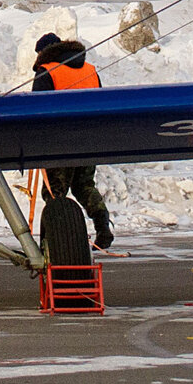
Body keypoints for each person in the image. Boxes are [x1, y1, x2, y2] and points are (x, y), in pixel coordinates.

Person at [31, 32, 114, 249]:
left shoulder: (46, 71)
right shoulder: (90, 70)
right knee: (84, 185)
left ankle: (52, 243)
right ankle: (103, 226)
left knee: (54, 193)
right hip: (89, 140)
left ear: (44, 52)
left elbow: (35, 111)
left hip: (59, 143)